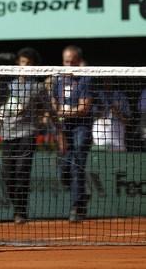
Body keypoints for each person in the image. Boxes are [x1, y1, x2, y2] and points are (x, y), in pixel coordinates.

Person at [0, 47, 49, 224]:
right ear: (17, 63)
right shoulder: (7, 86)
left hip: (28, 134)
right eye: (22, 62)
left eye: (29, 63)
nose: (24, 66)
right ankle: (18, 208)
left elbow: (49, 109)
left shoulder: (38, 87)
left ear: (35, 66)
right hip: (8, 135)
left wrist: (52, 127)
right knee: (8, 175)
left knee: (22, 173)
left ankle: (20, 212)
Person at [51, 45, 93, 222]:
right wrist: (58, 114)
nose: (69, 65)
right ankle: (82, 196)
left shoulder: (86, 80)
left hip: (81, 128)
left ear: (78, 62)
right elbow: (54, 102)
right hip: (63, 128)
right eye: (66, 61)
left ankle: (76, 207)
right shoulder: (58, 81)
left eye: (72, 62)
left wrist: (64, 112)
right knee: (65, 168)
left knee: (77, 165)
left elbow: (84, 108)